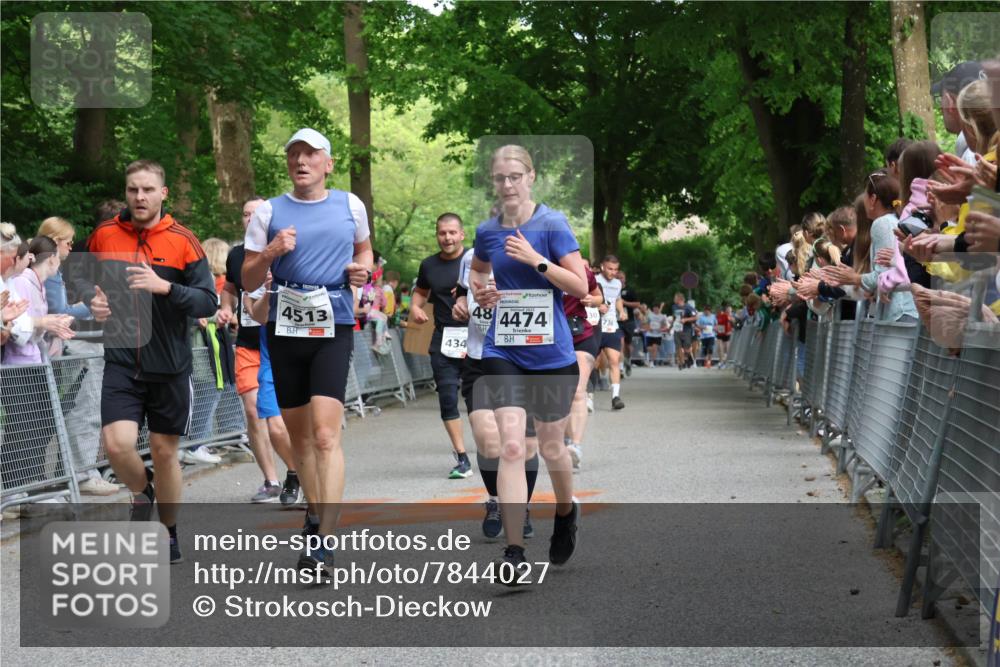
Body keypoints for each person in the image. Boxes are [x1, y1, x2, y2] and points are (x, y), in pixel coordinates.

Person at [73, 159, 219, 564]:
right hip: (121, 359)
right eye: (133, 189)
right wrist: (92, 298)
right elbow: (79, 276)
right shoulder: (104, 234)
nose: (140, 197)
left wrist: (166, 287)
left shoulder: (184, 241)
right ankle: (144, 490)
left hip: (169, 364)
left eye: (148, 190)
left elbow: (208, 300)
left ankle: (168, 532)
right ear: (127, 191)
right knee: (117, 446)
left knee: (165, 451)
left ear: (163, 193)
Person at [242, 128, 372, 573]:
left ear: (328, 164)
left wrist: (362, 272)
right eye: (294, 154)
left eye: (311, 154)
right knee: (299, 440)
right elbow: (246, 279)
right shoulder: (268, 212)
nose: (301, 161)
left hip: (332, 321)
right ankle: (315, 518)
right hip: (285, 325)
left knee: (324, 435)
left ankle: (324, 538)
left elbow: (366, 251)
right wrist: (273, 252)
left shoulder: (350, 205)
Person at [469, 144, 588, 582]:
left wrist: (536, 262)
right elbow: (478, 271)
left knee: (553, 447)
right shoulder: (487, 230)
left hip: (551, 354)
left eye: (515, 176)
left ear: (531, 176)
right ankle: (515, 554)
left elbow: (578, 284)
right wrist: (482, 292)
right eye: (500, 178)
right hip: (504, 349)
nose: (507, 185)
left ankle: (565, 510)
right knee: (514, 445)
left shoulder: (552, 224)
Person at [452, 248, 538, 538]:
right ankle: (496, 500)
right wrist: (460, 304)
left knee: (522, 445)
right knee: (488, 442)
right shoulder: (471, 258)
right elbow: (462, 292)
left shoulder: (532, 254)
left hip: (521, 361)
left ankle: (520, 506)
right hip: (479, 362)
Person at [220, 197, 299, 505]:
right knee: (254, 412)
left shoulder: (286, 250)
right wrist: (226, 310)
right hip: (248, 344)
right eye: (245, 213)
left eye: (255, 214)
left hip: (280, 344)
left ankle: (298, 471)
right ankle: (271, 480)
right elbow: (230, 287)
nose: (249, 218)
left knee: (281, 418)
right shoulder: (236, 255)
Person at [36, 216, 118, 496]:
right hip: (66, 347)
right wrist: (90, 307)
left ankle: (70, 474)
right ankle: (78, 475)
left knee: (66, 414)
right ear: (56, 241)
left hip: (64, 347)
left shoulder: (56, 269)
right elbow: (60, 310)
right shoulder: (50, 270)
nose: (72, 247)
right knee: (81, 410)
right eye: (68, 242)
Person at [2, 236, 76, 490]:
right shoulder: (22, 282)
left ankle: (31, 485)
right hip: (18, 364)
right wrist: (44, 324)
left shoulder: (36, 283)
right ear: (52, 258)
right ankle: (15, 488)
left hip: (35, 362)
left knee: (41, 425)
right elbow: (19, 330)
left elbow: (31, 325)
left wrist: (50, 323)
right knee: (23, 429)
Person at [409, 213, 474, 478]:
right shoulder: (429, 265)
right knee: (447, 398)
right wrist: (415, 307)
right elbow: (421, 292)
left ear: (462, 234)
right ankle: (462, 458)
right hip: (444, 338)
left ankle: (493, 450)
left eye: (451, 233)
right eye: (441, 233)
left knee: (478, 401)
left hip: (476, 337)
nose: (446, 238)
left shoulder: (475, 260)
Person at [562, 262, 604, 470]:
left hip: (580, 334)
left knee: (578, 391)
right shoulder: (535, 266)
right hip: (550, 337)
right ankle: (567, 441)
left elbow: (598, 296)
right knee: (561, 393)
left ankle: (575, 446)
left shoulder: (580, 269)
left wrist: (591, 300)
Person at [595, 255, 626, 410]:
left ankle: (615, 397)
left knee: (614, 360)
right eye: (610, 268)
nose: (613, 272)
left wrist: (621, 311)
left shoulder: (618, 283)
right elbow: (583, 298)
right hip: (594, 325)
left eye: (615, 269)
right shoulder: (594, 280)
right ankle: (587, 396)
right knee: (593, 363)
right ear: (602, 267)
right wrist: (596, 306)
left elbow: (617, 299)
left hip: (611, 325)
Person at [618, 270, 640, 377]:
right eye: (617, 278)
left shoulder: (630, 290)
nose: (619, 279)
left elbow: (637, 304)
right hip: (617, 321)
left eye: (621, 277)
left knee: (627, 345)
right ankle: (621, 369)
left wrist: (624, 303)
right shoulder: (612, 289)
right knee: (620, 343)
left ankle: (628, 361)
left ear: (625, 279)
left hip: (629, 321)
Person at [671, 292, 697, 369]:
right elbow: (674, 317)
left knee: (687, 348)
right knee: (678, 346)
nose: (674, 299)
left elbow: (695, 317)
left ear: (680, 299)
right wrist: (671, 325)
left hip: (686, 330)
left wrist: (686, 319)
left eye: (675, 298)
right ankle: (682, 363)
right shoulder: (674, 307)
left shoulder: (688, 307)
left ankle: (689, 358)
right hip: (677, 329)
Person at [645, 303, 667, 367]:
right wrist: (648, 328)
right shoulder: (649, 315)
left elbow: (664, 325)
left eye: (657, 309)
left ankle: (652, 362)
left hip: (658, 335)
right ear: (653, 309)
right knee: (649, 348)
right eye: (654, 309)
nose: (655, 310)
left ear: (658, 309)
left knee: (655, 348)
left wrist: (661, 329)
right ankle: (651, 359)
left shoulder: (662, 316)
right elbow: (646, 323)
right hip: (649, 334)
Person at [715, 303, 732, 368]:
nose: (729, 312)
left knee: (726, 348)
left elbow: (732, 321)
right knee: (720, 347)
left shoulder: (728, 316)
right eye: (728, 311)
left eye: (730, 311)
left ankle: (724, 361)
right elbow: (717, 323)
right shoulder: (721, 315)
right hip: (721, 332)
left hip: (727, 333)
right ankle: (721, 361)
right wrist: (716, 328)